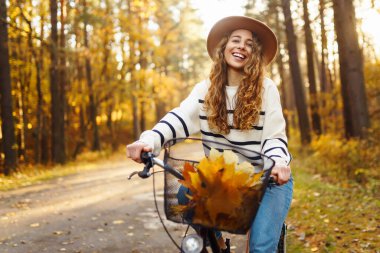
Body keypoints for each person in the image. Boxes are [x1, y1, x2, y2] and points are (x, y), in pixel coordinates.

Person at [127, 16, 293, 253]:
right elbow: (180, 118)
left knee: (261, 248)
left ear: (254, 54)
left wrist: (278, 163)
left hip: (268, 180)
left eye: (249, 44)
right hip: (225, 181)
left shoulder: (266, 89)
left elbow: (274, 137)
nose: (241, 47)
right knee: (185, 193)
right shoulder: (206, 89)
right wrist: (149, 140)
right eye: (236, 40)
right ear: (224, 47)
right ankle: (216, 243)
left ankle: (270, 233)